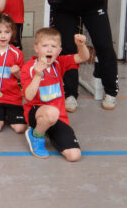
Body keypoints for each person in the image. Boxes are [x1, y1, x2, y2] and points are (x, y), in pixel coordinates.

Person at [21, 27, 89, 162]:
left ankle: (48, 130)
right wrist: (37, 75)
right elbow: (28, 96)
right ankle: (36, 135)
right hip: (37, 113)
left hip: (58, 117)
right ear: (36, 48)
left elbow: (83, 57)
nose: (49, 50)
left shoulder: (59, 63)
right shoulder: (28, 68)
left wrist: (81, 45)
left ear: (59, 50)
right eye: (45, 46)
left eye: (53, 46)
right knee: (51, 112)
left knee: (74, 155)